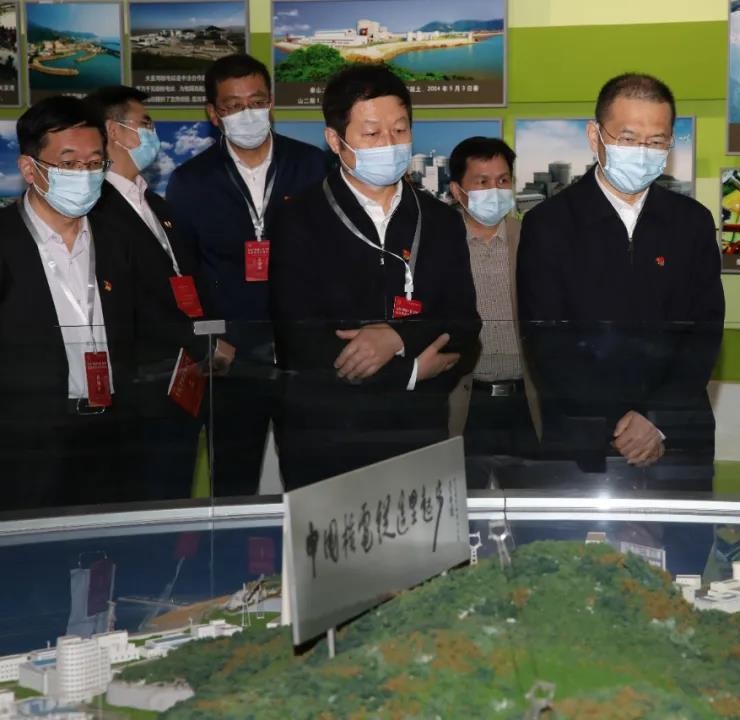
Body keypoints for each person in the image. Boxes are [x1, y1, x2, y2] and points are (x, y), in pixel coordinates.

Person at [268, 65, 480, 490]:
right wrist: (410, 372)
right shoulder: (298, 219)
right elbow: (301, 342)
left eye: (399, 130)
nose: (389, 143)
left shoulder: (439, 220)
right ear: (335, 140)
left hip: (418, 437)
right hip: (326, 442)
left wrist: (397, 338)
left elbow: (463, 326)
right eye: (371, 133)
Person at [517, 73, 725, 491]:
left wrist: (656, 420)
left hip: (675, 440)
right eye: (628, 138)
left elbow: (704, 334)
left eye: (656, 141)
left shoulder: (691, 222)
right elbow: (547, 343)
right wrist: (617, 425)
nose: (642, 152)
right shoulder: (549, 224)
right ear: (595, 136)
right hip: (582, 444)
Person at [166, 54, 327, 497]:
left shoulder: (313, 166)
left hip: (306, 357)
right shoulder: (190, 181)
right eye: (233, 106)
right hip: (231, 361)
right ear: (213, 114)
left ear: (271, 102)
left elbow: (336, 259)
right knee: (232, 486)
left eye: (256, 102)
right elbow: (183, 273)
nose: (247, 113)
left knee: (314, 484)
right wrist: (210, 342)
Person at [0, 96, 138, 510]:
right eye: (69, 164)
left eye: (94, 163)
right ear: (30, 169)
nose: (84, 175)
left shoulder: (119, 238)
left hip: (113, 434)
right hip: (25, 443)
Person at [86, 85, 206, 501]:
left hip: (180, 381)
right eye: (145, 123)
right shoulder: (94, 210)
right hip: (136, 390)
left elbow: (183, 281)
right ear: (113, 131)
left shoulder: (158, 206)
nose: (153, 132)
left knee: (174, 500)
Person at [446, 137, 542, 489]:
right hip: (463, 402)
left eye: (502, 180)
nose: (495, 190)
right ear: (457, 191)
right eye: (482, 182)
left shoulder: (532, 239)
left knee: (531, 509)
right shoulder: (439, 243)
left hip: (524, 402)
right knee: (460, 508)